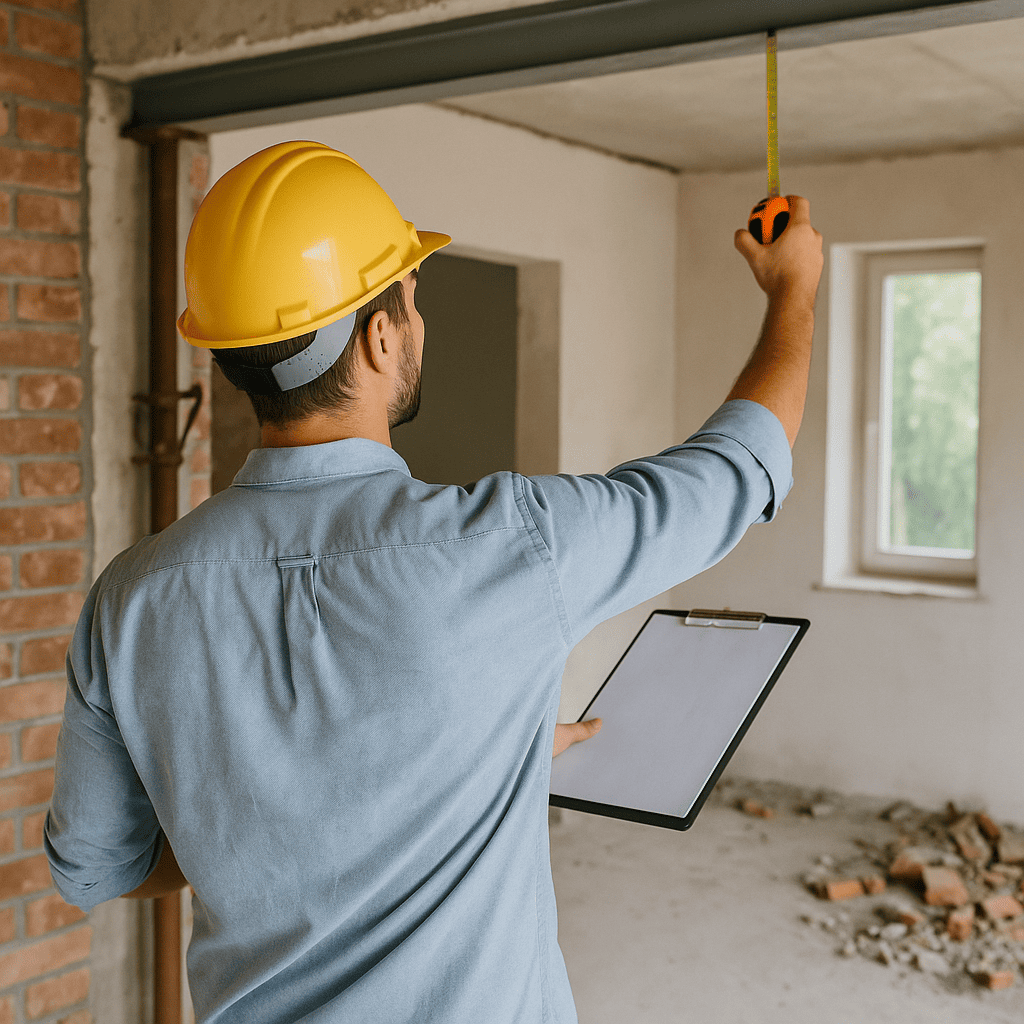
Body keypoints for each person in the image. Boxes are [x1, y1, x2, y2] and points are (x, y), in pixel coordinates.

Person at [44, 141, 823, 1024]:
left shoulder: (130, 598)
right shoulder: (511, 547)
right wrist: (792, 288)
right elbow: (738, 467)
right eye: (412, 299)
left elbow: (96, 866)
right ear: (381, 337)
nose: (417, 321)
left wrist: (269, 813)